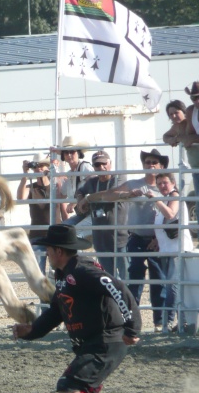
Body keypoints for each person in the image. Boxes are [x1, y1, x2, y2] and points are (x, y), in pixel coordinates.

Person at [12, 224, 140, 393]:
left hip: (107, 341)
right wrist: (31, 331)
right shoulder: (64, 276)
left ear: (58, 251)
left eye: (48, 250)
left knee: (68, 386)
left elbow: (119, 289)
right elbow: (56, 312)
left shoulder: (81, 271)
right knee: (79, 390)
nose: (46, 254)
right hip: (94, 342)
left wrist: (132, 327)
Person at [85, 149, 168, 330]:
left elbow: (172, 212)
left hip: (158, 239)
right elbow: (110, 194)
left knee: (159, 281)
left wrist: (158, 236)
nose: (151, 165)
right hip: (136, 237)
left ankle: (159, 322)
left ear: (161, 165)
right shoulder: (133, 184)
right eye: (147, 162)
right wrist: (91, 197)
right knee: (134, 282)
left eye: (154, 162)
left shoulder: (165, 185)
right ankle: (132, 320)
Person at [146, 172, 194, 332]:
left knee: (172, 286)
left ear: (173, 183)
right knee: (174, 286)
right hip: (168, 250)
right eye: (159, 183)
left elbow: (171, 214)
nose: (161, 186)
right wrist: (156, 241)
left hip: (176, 250)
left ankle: (168, 323)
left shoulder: (174, 197)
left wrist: (156, 200)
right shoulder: (167, 199)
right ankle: (181, 322)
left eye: (164, 182)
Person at [74, 150, 129, 279]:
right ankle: (112, 299)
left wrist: (88, 198)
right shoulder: (92, 182)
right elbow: (79, 191)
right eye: (97, 165)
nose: (101, 167)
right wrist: (80, 200)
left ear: (110, 163)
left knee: (127, 277)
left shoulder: (119, 177)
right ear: (93, 167)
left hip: (119, 237)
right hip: (100, 239)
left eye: (104, 163)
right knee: (108, 278)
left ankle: (129, 299)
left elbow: (111, 194)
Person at [16, 153, 59, 271]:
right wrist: (25, 174)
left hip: (55, 235)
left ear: (47, 167)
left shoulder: (55, 186)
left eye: (42, 165)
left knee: (56, 271)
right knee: (38, 272)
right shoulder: (31, 187)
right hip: (37, 236)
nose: (39, 168)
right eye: (36, 166)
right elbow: (20, 197)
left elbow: (64, 208)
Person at [54, 135, 94, 224]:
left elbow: (94, 186)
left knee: (76, 233)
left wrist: (75, 202)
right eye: (66, 152)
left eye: (72, 151)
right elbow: (61, 196)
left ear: (78, 153)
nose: (69, 155)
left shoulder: (85, 167)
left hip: (93, 213)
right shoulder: (69, 175)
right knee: (64, 228)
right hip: (82, 214)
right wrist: (53, 175)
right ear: (63, 156)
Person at [174, 82, 199, 195]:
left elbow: (190, 137)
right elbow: (189, 135)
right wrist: (176, 138)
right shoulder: (191, 111)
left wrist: (191, 139)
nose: (196, 100)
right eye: (193, 97)